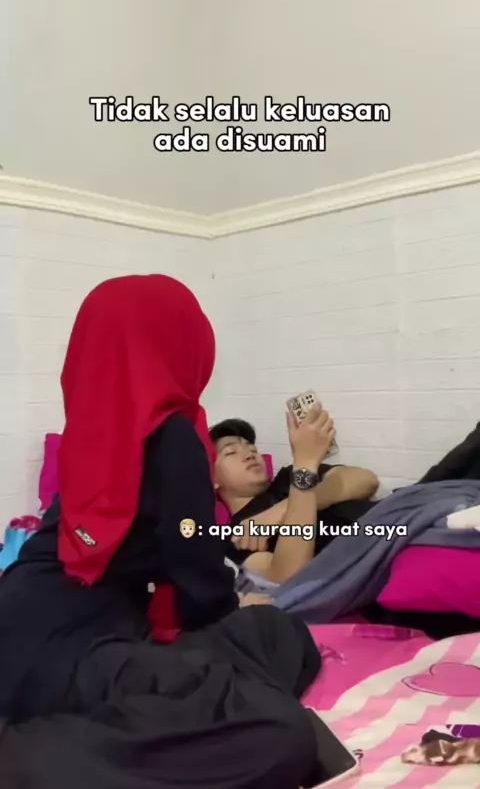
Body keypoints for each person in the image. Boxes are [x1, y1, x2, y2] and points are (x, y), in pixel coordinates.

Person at [0, 276, 322, 789]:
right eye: (229, 449)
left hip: (25, 612)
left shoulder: (94, 431)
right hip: (73, 645)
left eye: (249, 448)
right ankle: (26, 759)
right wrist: (232, 605)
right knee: (277, 728)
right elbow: (201, 594)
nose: (244, 454)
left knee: (275, 635)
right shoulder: (173, 436)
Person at [211, 415, 379, 583]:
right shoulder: (235, 535)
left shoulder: (290, 476)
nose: (249, 454)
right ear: (212, 479)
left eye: (252, 448)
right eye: (231, 452)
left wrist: (278, 512)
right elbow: (286, 574)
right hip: (366, 556)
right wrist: (305, 464)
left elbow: (366, 479)